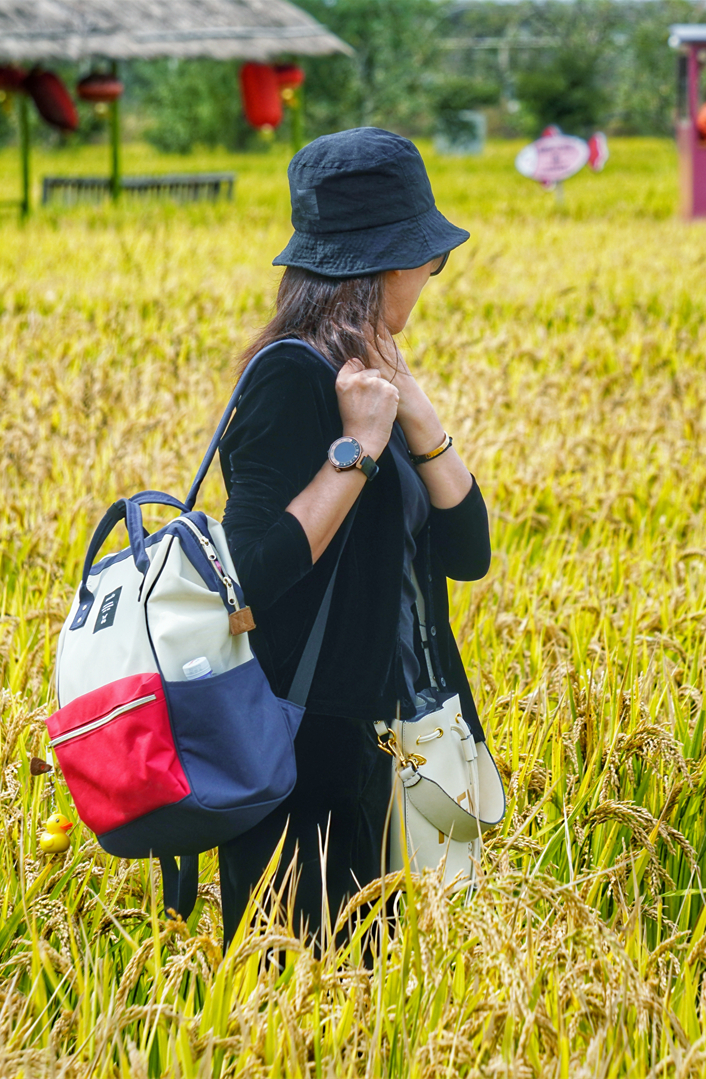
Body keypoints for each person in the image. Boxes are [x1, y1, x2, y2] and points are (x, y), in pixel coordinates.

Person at [216, 127, 491, 950]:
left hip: (393, 741)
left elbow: (468, 554)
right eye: (429, 259)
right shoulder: (288, 377)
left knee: (388, 992)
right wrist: (359, 448)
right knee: (303, 988)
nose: (431, 274)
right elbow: (250, 574)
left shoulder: (373, 375)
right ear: (386, 265)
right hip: (305, 759)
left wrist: (421, 422)